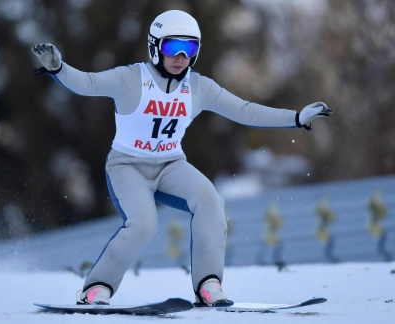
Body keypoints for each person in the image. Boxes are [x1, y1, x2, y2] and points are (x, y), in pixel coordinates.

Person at [31, 9, 332, 307]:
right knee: (144, 224)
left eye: (189, 49)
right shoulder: (130, 78)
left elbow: (245, 110)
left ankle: (208, 285)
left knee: (211, 202)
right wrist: (59, 68)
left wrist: (296, 118)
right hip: (128, 167)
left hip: (171, 165)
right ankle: (97, 288)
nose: (180, 57)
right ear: (154, 47)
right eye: (172, 47)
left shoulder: (198, 86)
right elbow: (89, 83)